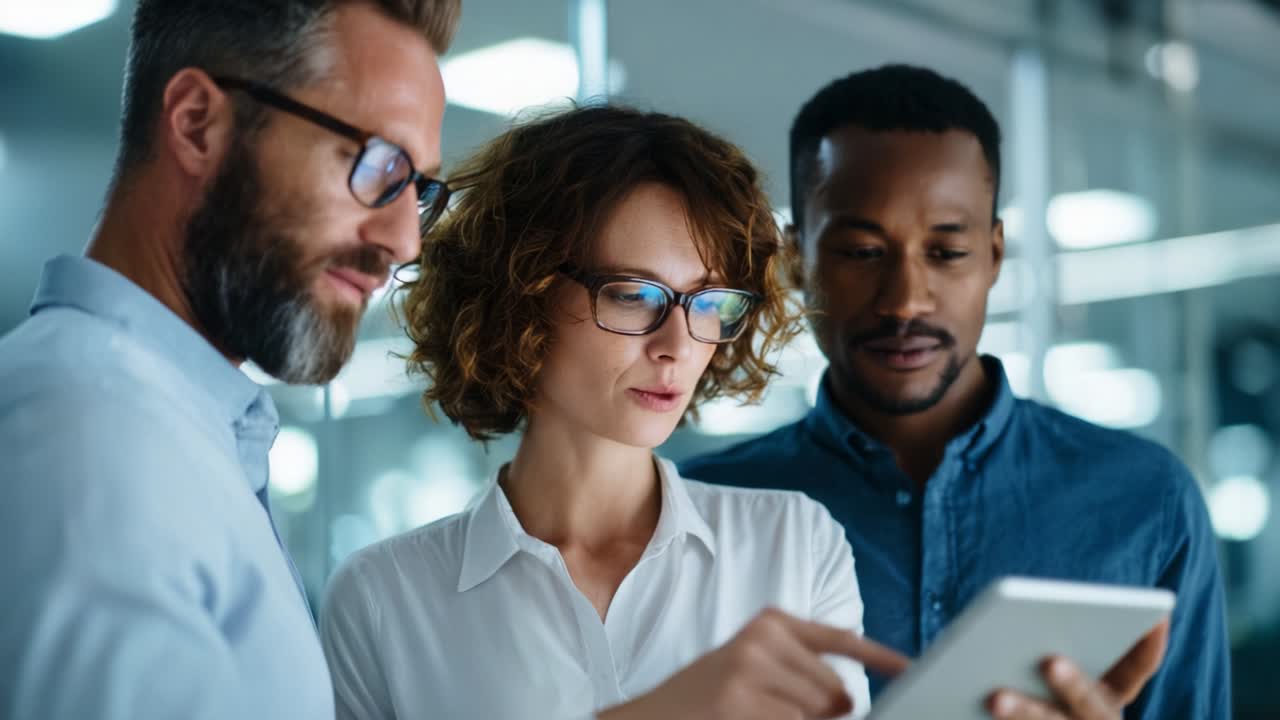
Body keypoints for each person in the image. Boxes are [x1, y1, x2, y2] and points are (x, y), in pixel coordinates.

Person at [320, 104, 909, 720]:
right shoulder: (383, 598)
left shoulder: (795, 546)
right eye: (633, 296)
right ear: (520, 297)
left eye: (709, 303)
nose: (678, 346)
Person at [681, 64, 1230, 720]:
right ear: (798, 260)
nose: (906, 300)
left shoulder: (1146, 501)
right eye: (861, 251)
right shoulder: (701, 513)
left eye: (946, 253)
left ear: (995, 255)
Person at [0, 1, 459, 718]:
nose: (406, 241)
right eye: (376, 164)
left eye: (419, 189)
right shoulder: (91, 435)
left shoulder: (177, 425)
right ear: (196, 123)